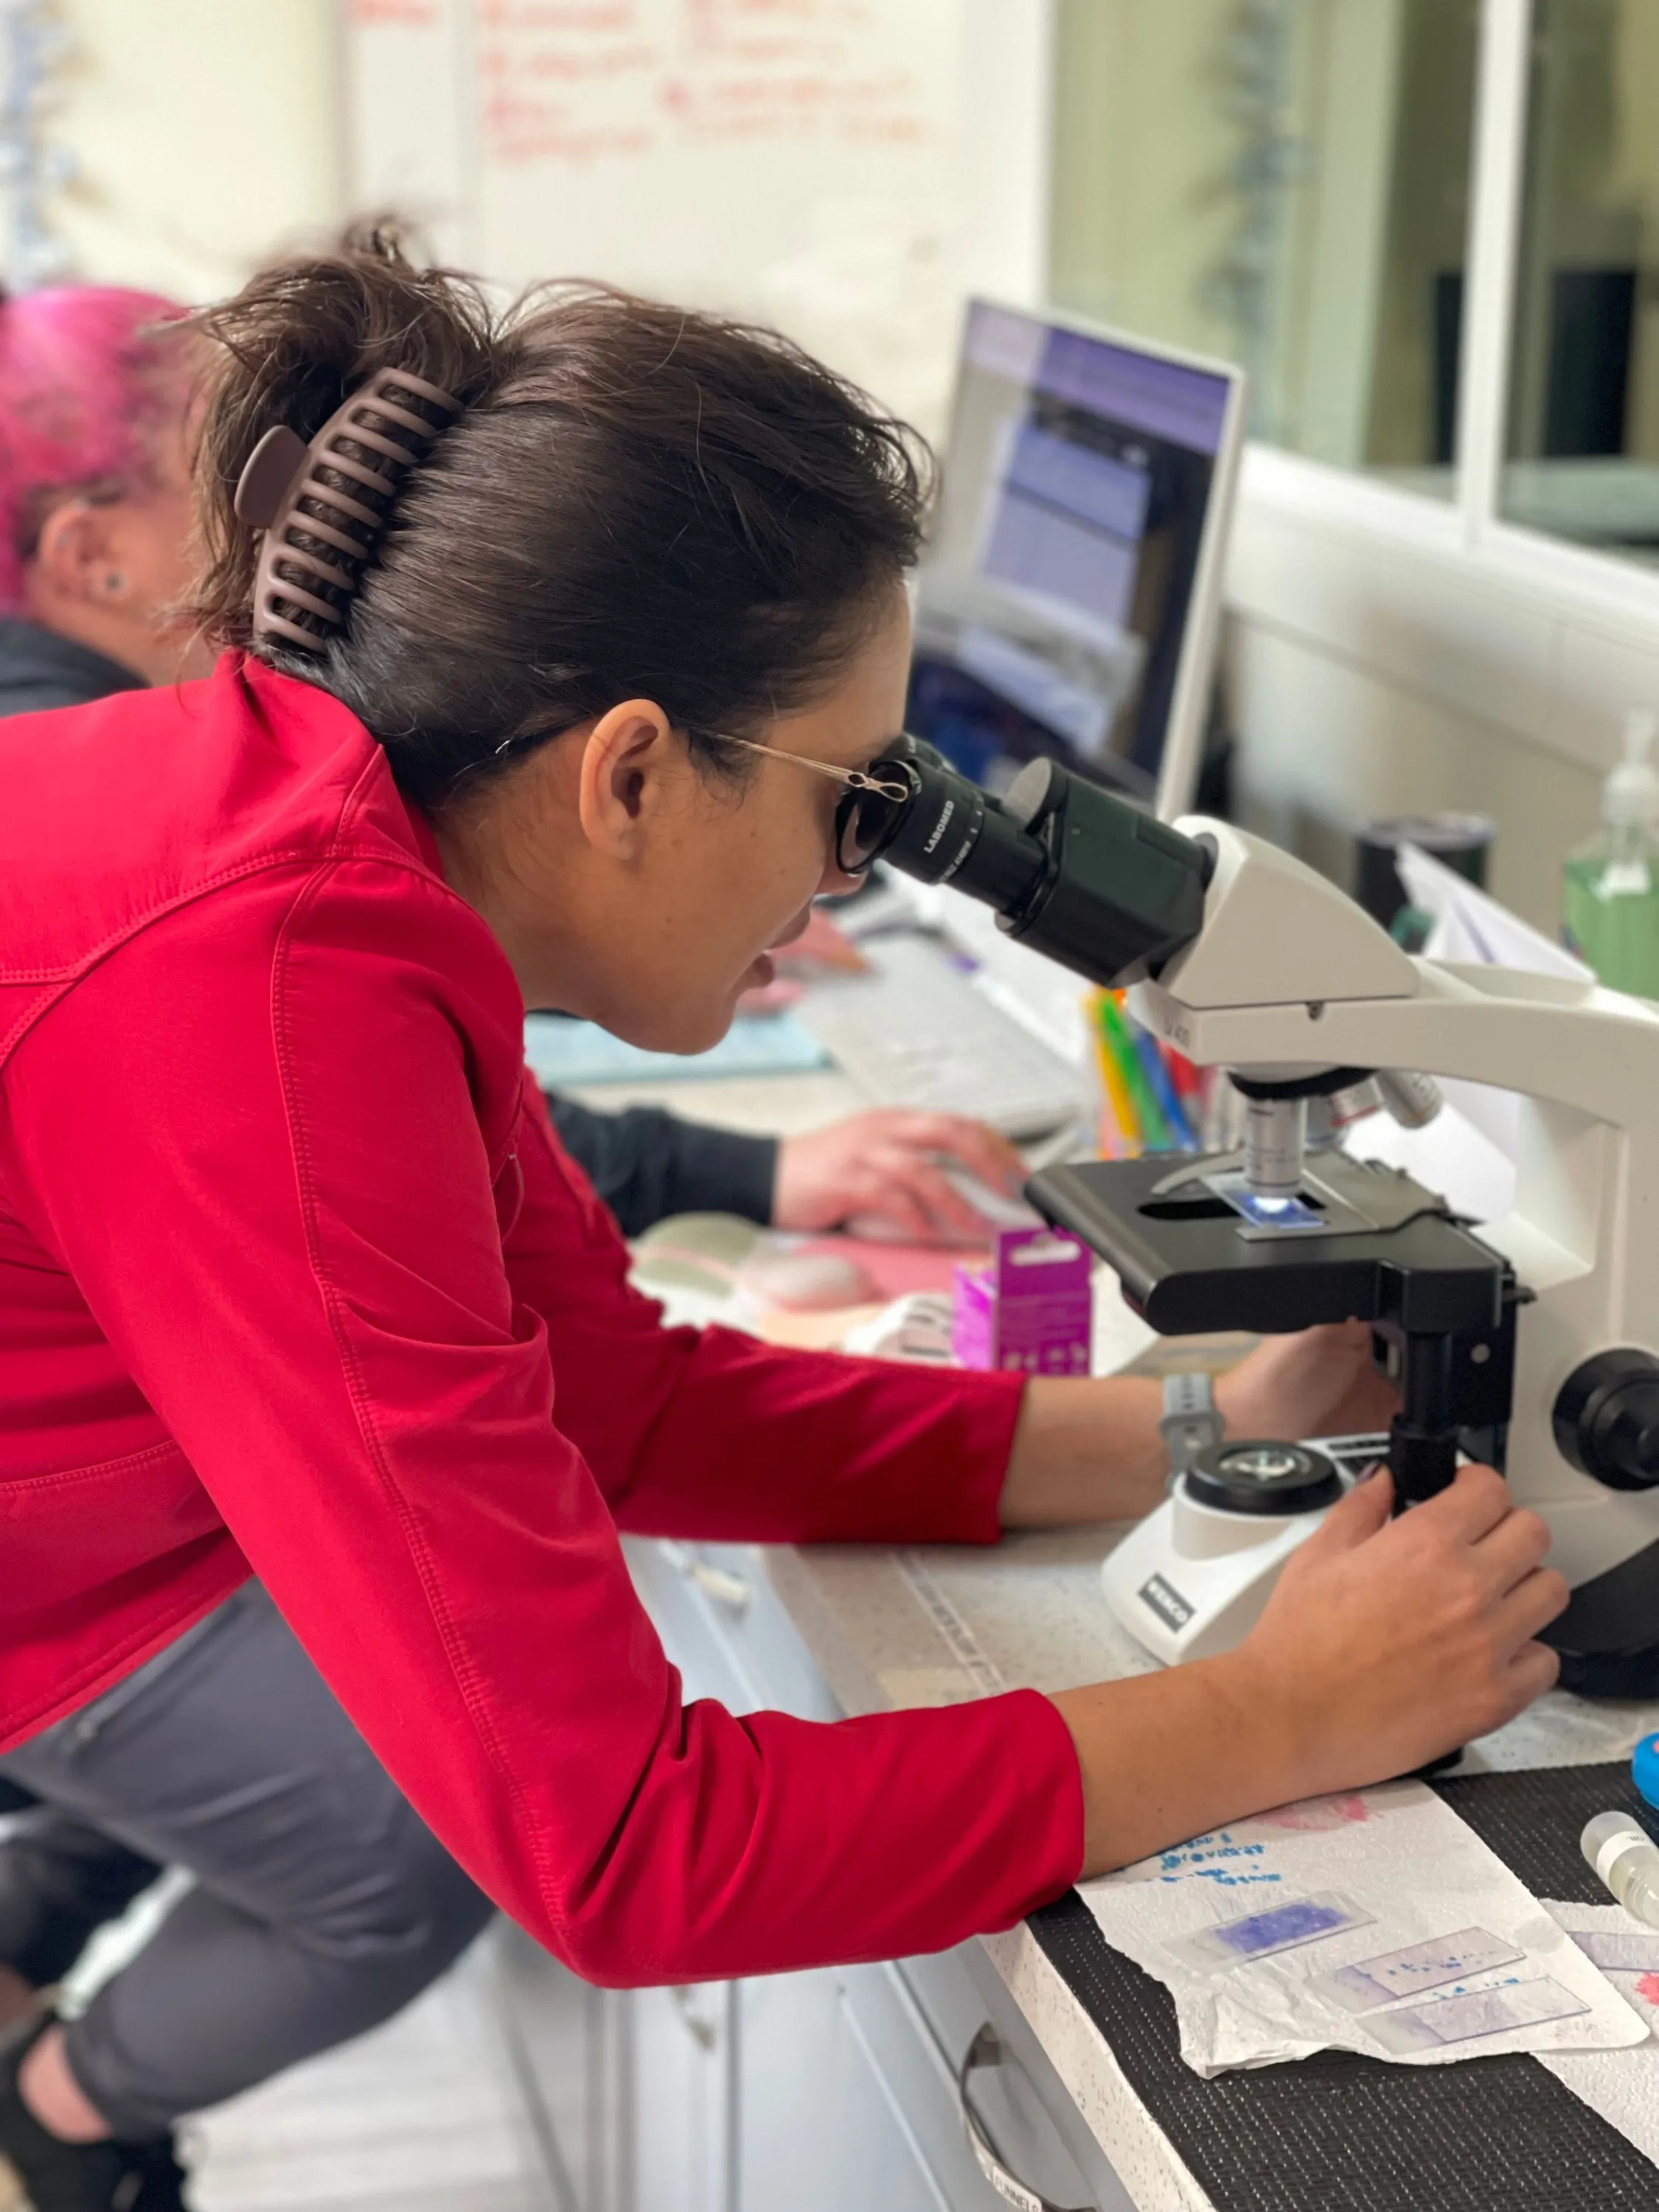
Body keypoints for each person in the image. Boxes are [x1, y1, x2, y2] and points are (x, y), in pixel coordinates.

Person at [0, 228, 1565, 2212]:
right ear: (633, 774)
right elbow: (627, 1858)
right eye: (855, 800)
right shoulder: (263, 999)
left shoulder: (356, 881)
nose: (847, 884)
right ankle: (58, 2120)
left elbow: (624, 1406)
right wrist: (1283, 1709)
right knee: (390, 1838)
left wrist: (1200, 1428)